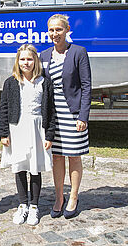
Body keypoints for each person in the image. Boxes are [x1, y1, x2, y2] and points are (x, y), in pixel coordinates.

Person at [39, 14, 91, 219]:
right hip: (54, 116)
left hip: (73, 114)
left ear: (67, 29)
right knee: (57, 156)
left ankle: (74, 197)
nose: (54, 34)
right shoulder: (44, 55)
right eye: (51, 30)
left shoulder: (78, 52)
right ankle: (59, 197)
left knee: (74, 156)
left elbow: (87, 86)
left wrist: (83, 116)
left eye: (58, 29)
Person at [0, 44, 56, 226]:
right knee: (20, 167)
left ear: (35, 60)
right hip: (17, 129)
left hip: (38, 129)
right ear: (18, 61)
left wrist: (49, 135)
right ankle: (22, 204)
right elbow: (4, 108)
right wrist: (3, 132)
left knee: (35, 168)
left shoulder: (44, 83)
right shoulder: (11, 82)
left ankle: (34, 207)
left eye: (30, 59)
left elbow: (51, 111)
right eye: (22, 59)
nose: (26, 62)